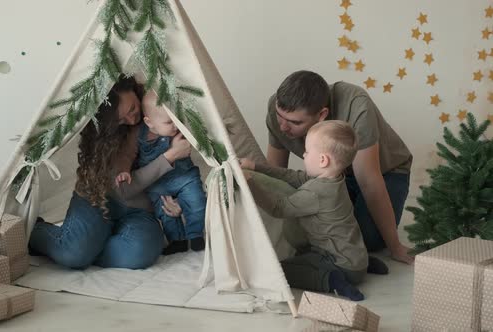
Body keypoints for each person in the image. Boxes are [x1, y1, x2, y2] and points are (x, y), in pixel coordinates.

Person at [28, 75, 192, 270]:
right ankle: (36, 232)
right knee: (72, 254)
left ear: (133, 89)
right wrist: (169, 157)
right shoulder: (106, 137)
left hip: (138, 212)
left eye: (132, 108)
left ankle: (87, 247)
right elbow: (125, 189)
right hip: (98, 198)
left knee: (139, 253)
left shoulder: (160, 113)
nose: (132, 120)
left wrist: (179, 202)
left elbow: (186, 177)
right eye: (121, 120)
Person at [265, 70, 414, 264]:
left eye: (295, 122)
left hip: (386, 172)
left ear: (322, 115)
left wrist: (395, 247)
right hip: (332, 175)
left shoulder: (356, 104)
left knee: (367, 240)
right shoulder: (277, 108)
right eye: (280, 117)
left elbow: (369, 181)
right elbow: (276, 174)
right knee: (304, 224)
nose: (283, 127)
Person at [241, 121, 382, 301]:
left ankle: (331, 280)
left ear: (323, 160)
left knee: (279, 271)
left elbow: (279, 208)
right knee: (319, 252)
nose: (304, 154)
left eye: (307, 151)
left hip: (339, 265)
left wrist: (249, 182)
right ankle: (363, 265)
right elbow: (294, 176)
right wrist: (256, 166)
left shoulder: (316, 192)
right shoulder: (336, 179)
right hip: (356, 260)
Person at [115, 91, 206, 255]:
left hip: (185, 177)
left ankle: (196, 235)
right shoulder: (138, 133)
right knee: (164, 212)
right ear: (149, 122)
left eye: (177, 119)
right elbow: (127, 154)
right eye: (169, 122)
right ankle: (177, 240)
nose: (175, 125)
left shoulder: (180, 129)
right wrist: (123, 170)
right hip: (158, 184)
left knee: (196, 202)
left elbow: (200, 134)